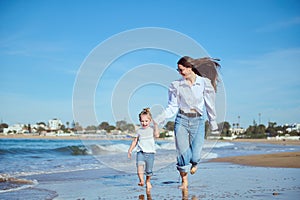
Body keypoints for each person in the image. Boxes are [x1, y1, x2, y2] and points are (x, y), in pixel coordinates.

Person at [154, 56, 220, 189]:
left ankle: (195, 163)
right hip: (181, 120)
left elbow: (210, 104)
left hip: (198, 121)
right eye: (178, 70)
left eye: (181, 70)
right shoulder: (176, 85)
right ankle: (184, 181)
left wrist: (213, 123)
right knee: (183, 153)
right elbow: (172, 107)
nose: (180, 72)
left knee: (195, 156)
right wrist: (159, 119)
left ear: (190, 68)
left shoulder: (204, 83)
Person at [128, 108, 159, 190]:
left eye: (146, 121)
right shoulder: (139, 131)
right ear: (140, 121)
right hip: (140, 152)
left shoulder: (152, 129)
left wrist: (156, 125)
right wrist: (130, 150)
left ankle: (148, 181)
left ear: (150, 121)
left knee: (149, 170)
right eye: (142, 121)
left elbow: (157, 135)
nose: (144, 123)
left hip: (150, 153)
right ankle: (141, 180)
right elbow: (135, 141)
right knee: (139, 166)